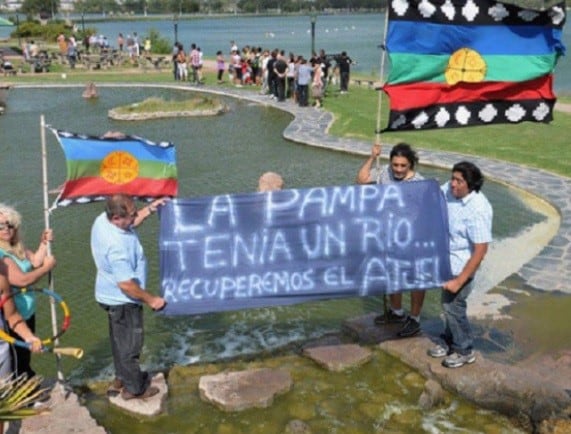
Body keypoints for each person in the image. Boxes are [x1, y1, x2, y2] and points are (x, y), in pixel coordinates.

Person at [90, 194, 167, 400]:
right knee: (130, 346)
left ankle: (121, 377)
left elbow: (132, 222)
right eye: (131, 215)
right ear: (116, 218)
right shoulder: (116, 246)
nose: (135, 218)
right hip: (123, 300)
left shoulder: (102, 221)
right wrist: (152, 300)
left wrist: (150, 209)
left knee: (118, 341)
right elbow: (126, 285)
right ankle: (135, 389)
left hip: (107, 295)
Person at [356, 143, 426, 338]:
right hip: (388, 237)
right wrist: (371, 157)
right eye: (395, 165)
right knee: (393, 275)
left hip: (412, 239)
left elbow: (428, 212)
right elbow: (361, 180)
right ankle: (397, 312)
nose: (398, 169)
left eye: (403, 166)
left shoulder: (420, 183)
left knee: (415, 280)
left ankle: (415, 318)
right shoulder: (384, 173)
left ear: (411, 165)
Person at [428, 161, 492, 368]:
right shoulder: (449, 189)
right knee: (448, 306)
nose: (452, 184)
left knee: (453, 306)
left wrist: (459, 280)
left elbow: (481, 249)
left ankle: (465, 350)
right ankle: (449, 342)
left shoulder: (478, 209)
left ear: (470, 185)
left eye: (458, 181)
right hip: (448, 263)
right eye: (452, 178)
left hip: (463, 268)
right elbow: (428, 193)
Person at [0, 204, 57, 379]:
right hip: (13, 312)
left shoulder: (17, 247)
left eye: (10, 225)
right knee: (18, 357)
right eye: (1, 226)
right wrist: (47, 268)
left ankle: (26, 383)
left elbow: (36, 261)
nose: (6, 229)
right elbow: (22, 280)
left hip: (26, 311)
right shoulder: (2, 255)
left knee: (26, 352)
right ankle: (25, 390)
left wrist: (44, 243)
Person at [0, 264, 42, 434]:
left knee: (1, 407)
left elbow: (12, 316)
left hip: (1, 353)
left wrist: (29, 336)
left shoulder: (1, 273)